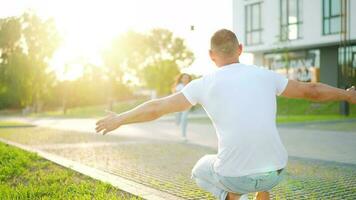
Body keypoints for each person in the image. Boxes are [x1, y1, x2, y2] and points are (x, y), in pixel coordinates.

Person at [95, 29, 356, 200]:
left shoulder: (202, 84)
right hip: (275, 172)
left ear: (211, 55)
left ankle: (231, 196)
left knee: (200, 169)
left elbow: (156, 108)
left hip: (236, 177)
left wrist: (120, 118)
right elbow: (311, 90)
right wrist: (347, 94)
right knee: (258, 158)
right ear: (240, 49)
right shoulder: (265, 76)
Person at [172, 73, 192, 140]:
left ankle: (183, 135)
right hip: (178, 105)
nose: (185, 79)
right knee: (178, 119)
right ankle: (177, 120)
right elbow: (176, 95)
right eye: (184, 78)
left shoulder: (191, 86)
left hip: (187, 105)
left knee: (184, 119)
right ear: (181, 79)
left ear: (189, 79)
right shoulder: (179, 86)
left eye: (187, 78)